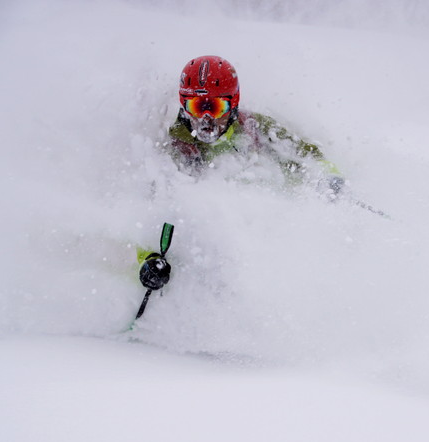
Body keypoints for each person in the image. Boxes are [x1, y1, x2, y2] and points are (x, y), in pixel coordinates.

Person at [138, 55, 344, 293]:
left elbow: (304, 154)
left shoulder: (254, 127)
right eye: (196, 106)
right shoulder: (176, 150)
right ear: (183, 106)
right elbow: (151, 212)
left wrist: (328, 178)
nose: (206, 120)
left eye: (215, 107)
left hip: (274, 238)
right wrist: (148, 260)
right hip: (212, 261)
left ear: (233, 103)